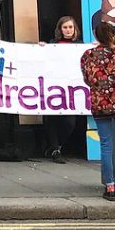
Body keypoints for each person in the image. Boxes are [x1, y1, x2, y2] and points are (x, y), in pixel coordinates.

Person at [80, 21, 115, 202]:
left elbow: (87, 79)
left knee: (106, 145)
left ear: (96, 36)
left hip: (101, 105)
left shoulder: (88, 55)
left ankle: (110, 187)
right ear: (113, 34)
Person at [40, 16, 82, 164]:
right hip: (54, 86)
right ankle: (54, 149)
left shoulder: (80, 45)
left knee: (70, 122)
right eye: (65, 27)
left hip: (72, 88)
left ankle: (57, 146)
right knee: (51, 118)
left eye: (70, 27)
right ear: (60, 29)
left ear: (75, 29)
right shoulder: (53, 44)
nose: (68, 30)